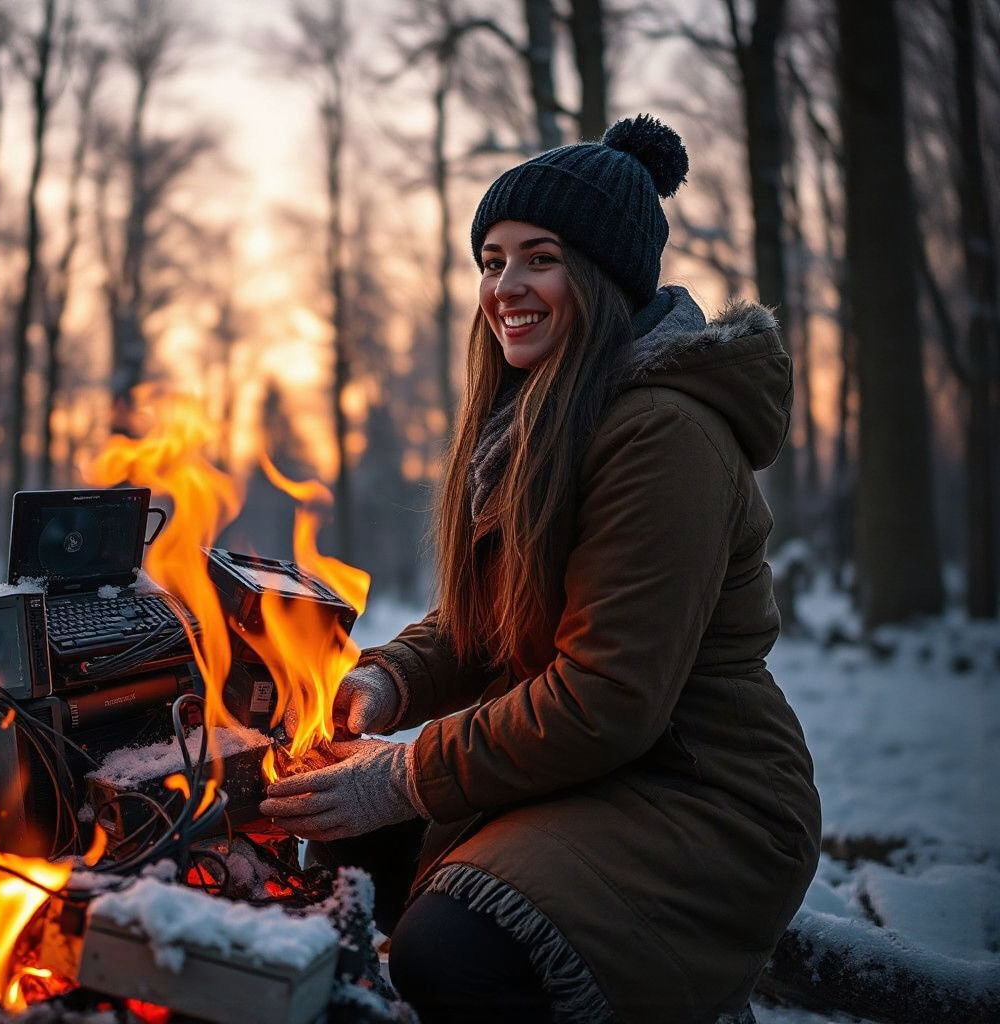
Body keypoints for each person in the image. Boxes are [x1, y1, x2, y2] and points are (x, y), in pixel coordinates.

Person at [259, 114, 821, 1024]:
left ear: (602, 277)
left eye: (540, 258)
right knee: (328, 850)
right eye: (491, 260)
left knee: (451, 952)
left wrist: (398, 777)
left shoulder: (662, 436)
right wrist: (387, 682)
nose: (506, 287)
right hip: (589, 772)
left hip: (701, 795)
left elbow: (606, 701)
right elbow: (486, 622)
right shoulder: (545, 419)